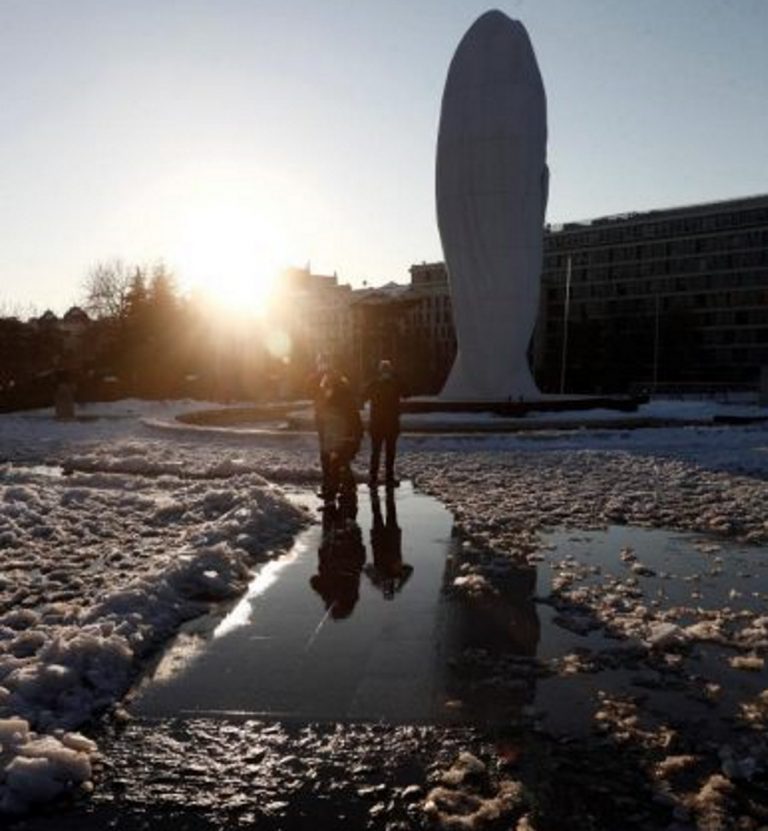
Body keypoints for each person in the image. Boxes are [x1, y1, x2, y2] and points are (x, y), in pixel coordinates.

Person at [317, 369, 363, 506]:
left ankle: (336, 493)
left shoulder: (336, 397)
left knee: (337, 463)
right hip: (343, 435)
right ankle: (345, 490)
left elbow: (337, 418)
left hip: (342, 435)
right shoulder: (342, 395)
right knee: (340, 463)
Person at [362, 359, 405, 487]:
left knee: (376, 452)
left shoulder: (374, 384)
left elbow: (363, 396)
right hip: (390, 423)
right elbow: (407, 392)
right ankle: (388, 478)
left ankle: (373, 478)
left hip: (377, 424)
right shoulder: (394, 384)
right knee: (389, 452)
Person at [364, 488, 412, 599]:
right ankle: (387, 492)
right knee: (390, 511)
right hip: (392, 537)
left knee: (378, 513)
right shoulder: (398, 575)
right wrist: (401, 583)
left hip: (379, 538)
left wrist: (376, 581)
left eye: (386, 589)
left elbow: (366, 568)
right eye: (389, 589)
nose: (388, 585)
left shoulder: (378, 578)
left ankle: (374, 492)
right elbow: (409, 568)